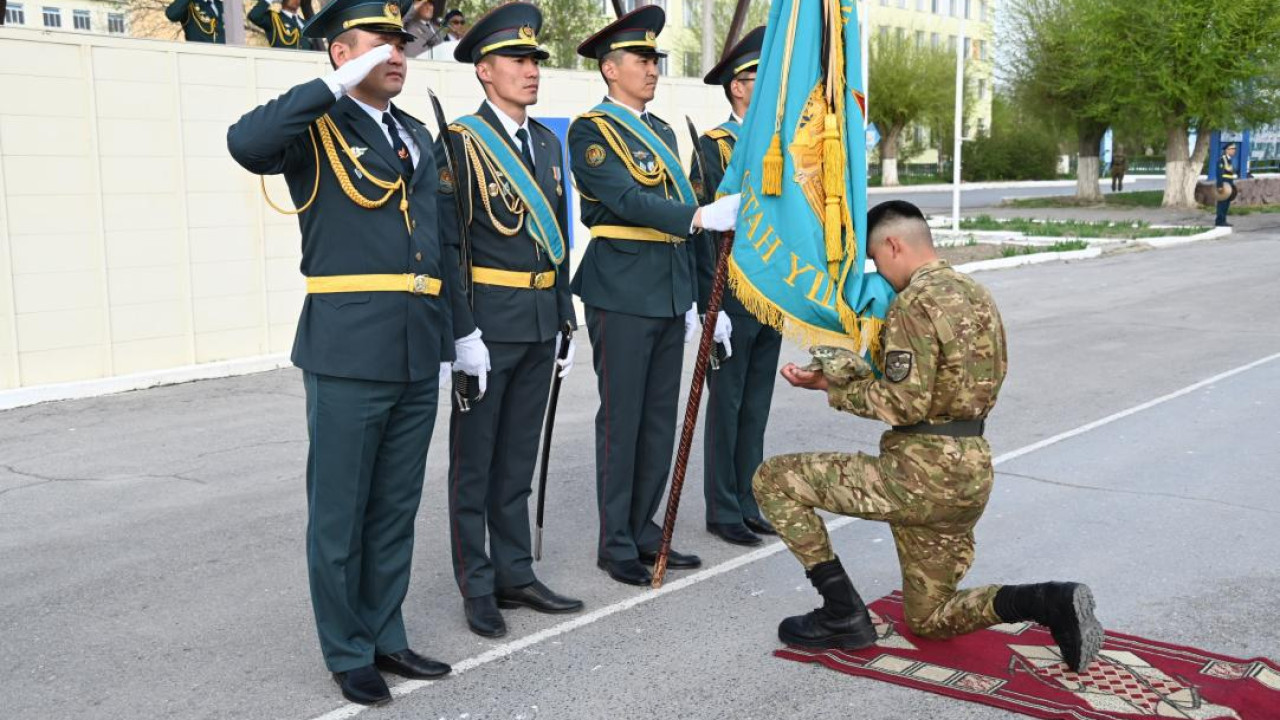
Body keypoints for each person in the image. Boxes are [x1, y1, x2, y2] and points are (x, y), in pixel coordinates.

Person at [226, 0, 475, 706]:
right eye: (378, 43)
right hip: (347, 347)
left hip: (417, 345)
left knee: (395, 507)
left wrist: (462, 333)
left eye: (401, 42)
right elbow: (245, 143)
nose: (397, 53)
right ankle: (347, 649)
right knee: (341, 512)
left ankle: (386, 633)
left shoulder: (416, 133)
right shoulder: (316, 125)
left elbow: (441, 242)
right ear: (342, 54)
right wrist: (330, 86)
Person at [753, 200, 1103, 673]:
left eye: (877, 259)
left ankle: (841, 612)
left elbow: (904, 404)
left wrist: (831, 387)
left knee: (774, 479)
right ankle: (1047, 600)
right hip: (971, 471)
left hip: (918, 475)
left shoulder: (914, 302)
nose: (880, 273)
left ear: (894, 245)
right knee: (931, 618)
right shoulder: (976, 293)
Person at [568, 5, 741, 587]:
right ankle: (615, 541)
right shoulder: (592, 131)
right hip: (620, 288)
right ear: (610, 68)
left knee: (658, 421)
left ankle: (643, 527)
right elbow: (626, 200)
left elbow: (681, 215)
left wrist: (695, 297)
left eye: (655, 60)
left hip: (667, 290)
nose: (652, 69)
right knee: (622, 421)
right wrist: (699, 216)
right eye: (641, 59)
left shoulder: (662, 132)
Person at [437, 1, 585, 639]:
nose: (531, 71)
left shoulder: (547, 142)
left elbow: (558, 243)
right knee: (475, 465)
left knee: (518, 459)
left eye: (534, 61)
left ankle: (515, 572)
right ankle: (477, 586)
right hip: (488, 326)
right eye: (517, 61)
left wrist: (564, 318)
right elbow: (450, 247)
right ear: (484, 70)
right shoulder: (461, 142)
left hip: (540, 321)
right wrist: (461, 333)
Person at [687, 26, 780, 549]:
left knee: (756, 405)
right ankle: (722, 509)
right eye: (757, 77)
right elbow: (702, 230)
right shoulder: (715, 146)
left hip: (772, 292)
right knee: (727, 405)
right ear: (737, 87)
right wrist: (710, 304)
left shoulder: (779, 145)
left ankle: (748, 499)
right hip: (732, 290)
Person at [1215, 143, 1238, 228]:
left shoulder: (1229, 160)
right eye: (1232, 149)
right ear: (1227, 150)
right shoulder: (1222, 160)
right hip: (1224, 184)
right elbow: (1219, 173)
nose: (1234, 150)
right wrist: (1220, 186)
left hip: (1229, 184)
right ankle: (1219, 220)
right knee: (1222, 203)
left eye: (1234, 149)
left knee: (1226, 203)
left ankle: (1223, 220)